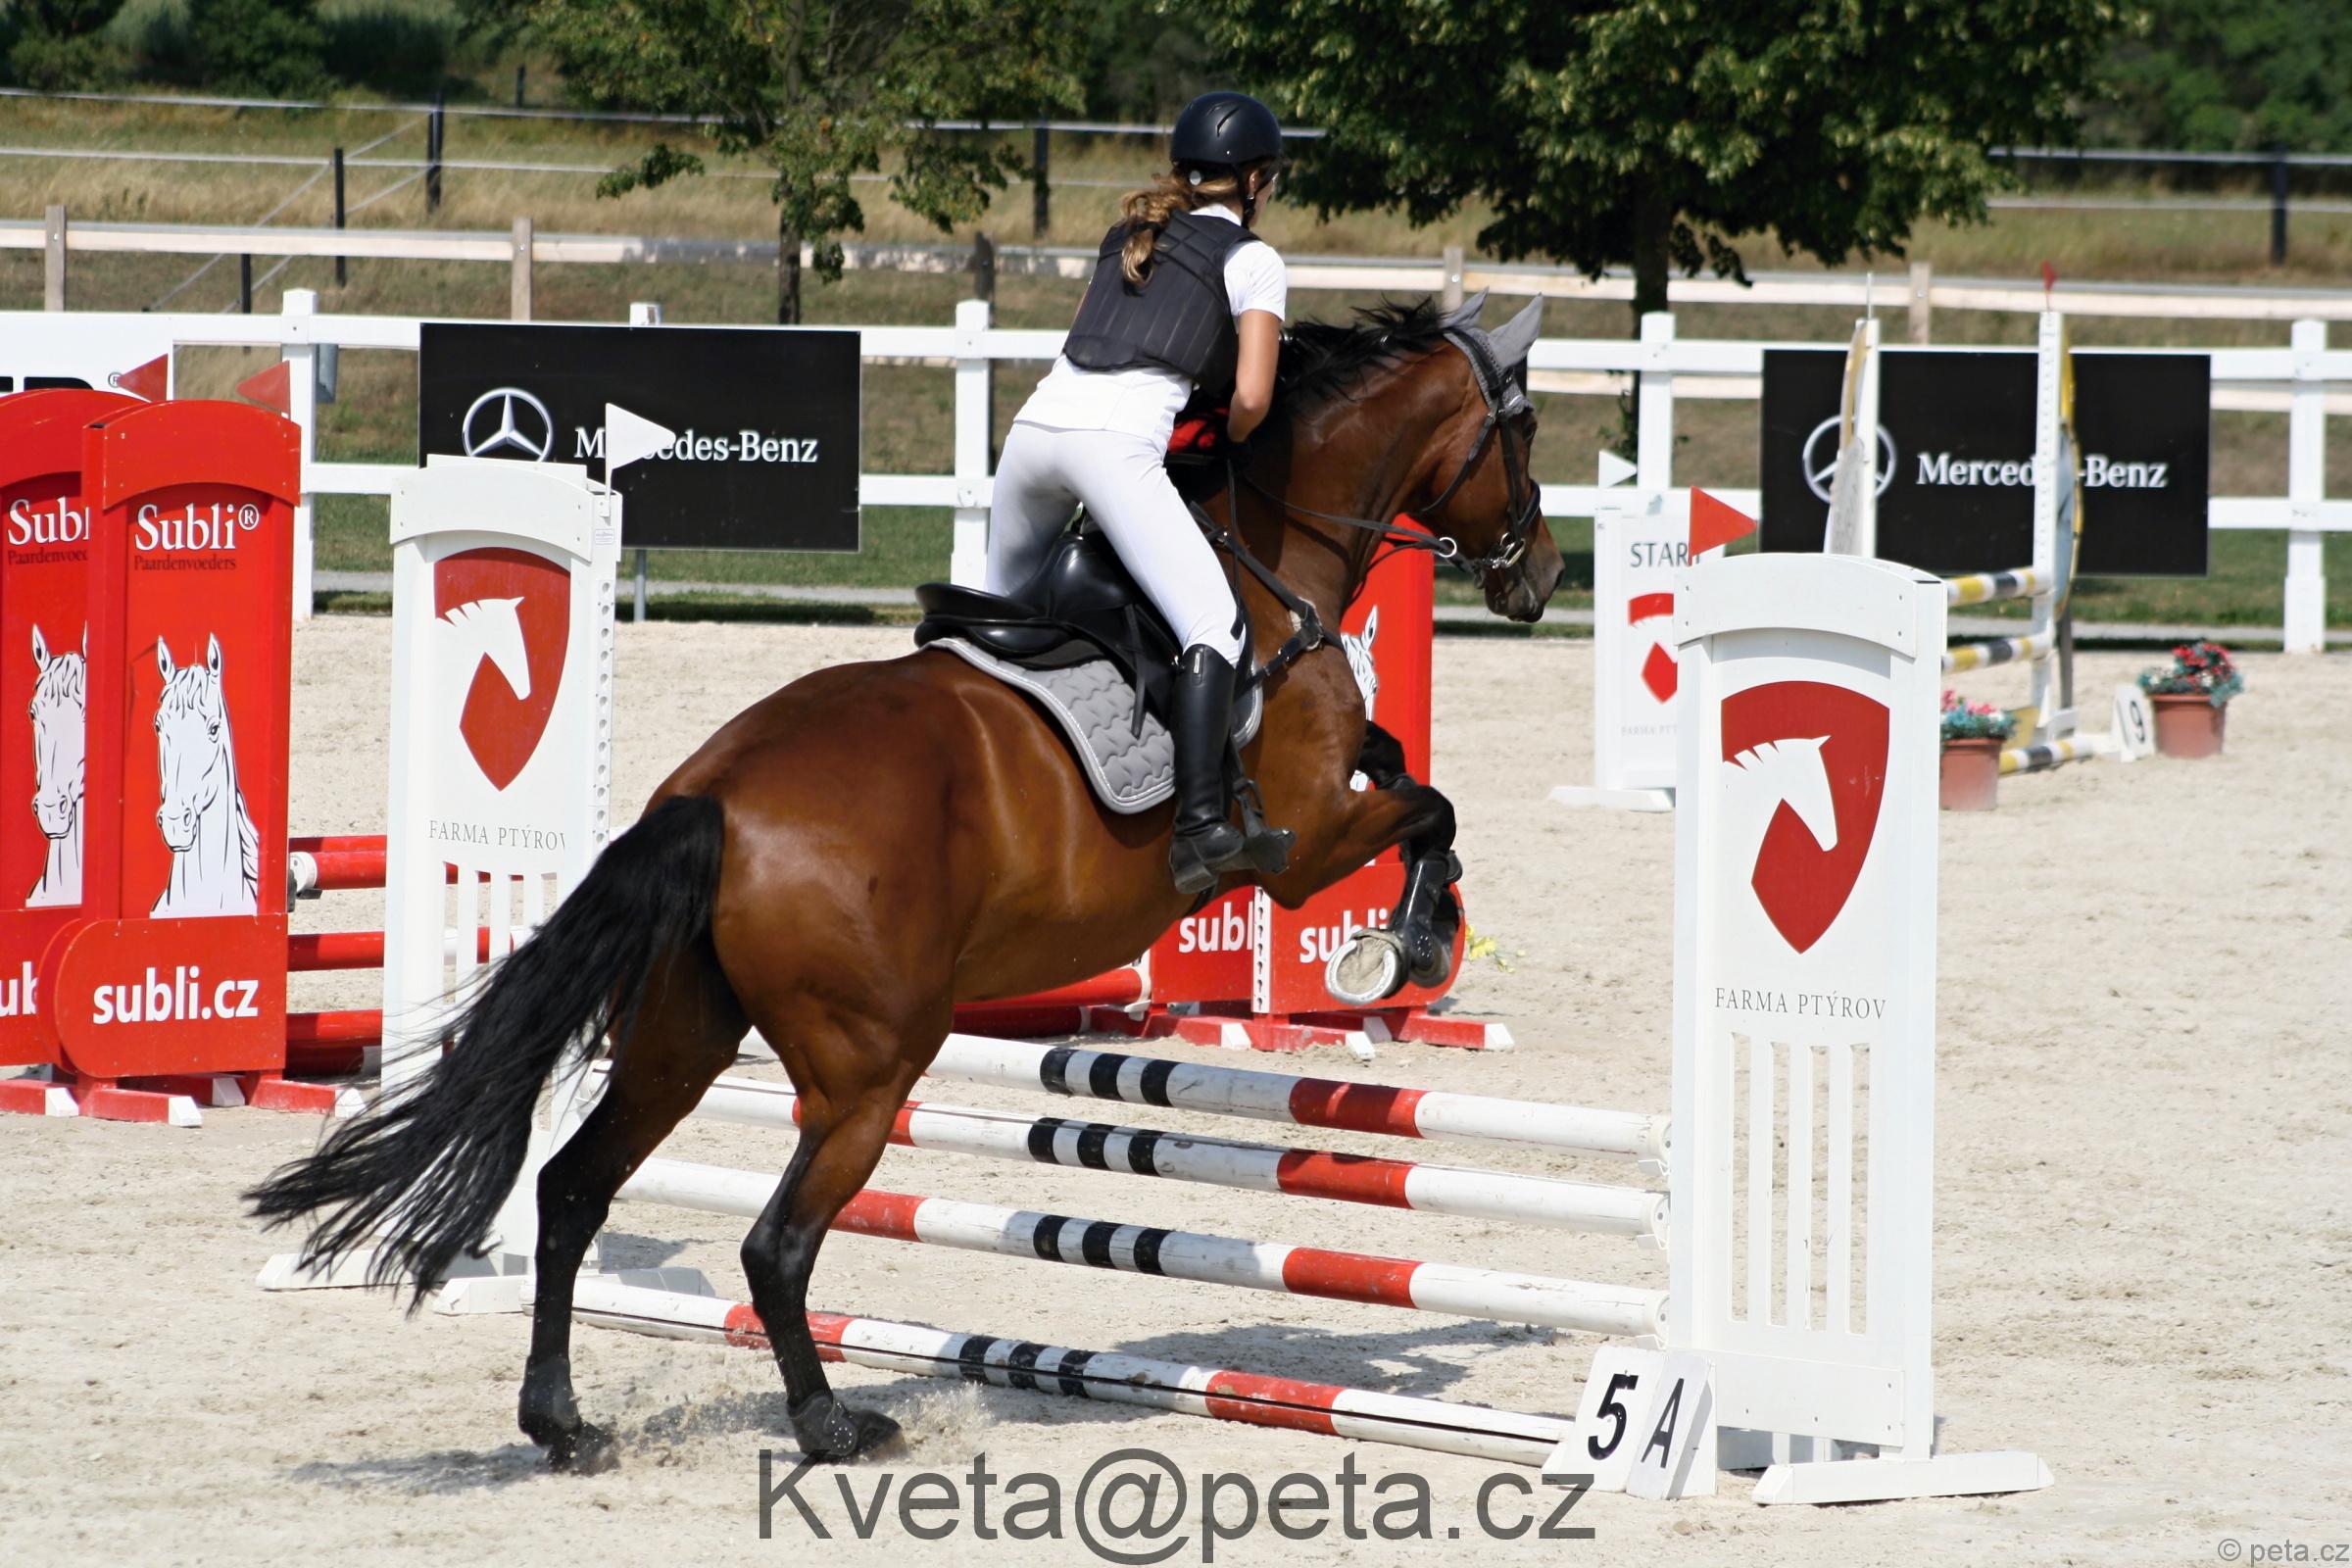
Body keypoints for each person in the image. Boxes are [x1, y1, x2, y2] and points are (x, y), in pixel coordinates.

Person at [985, 89, 1291, 895]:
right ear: (1252, 180)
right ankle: (1198, 829)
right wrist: (1231, 436)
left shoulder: (1128, 235)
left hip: (1032, 438)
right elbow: (1252, 396)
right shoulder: (1253, 260)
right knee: (1215, 626)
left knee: (995, 621)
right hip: (1113, 451)